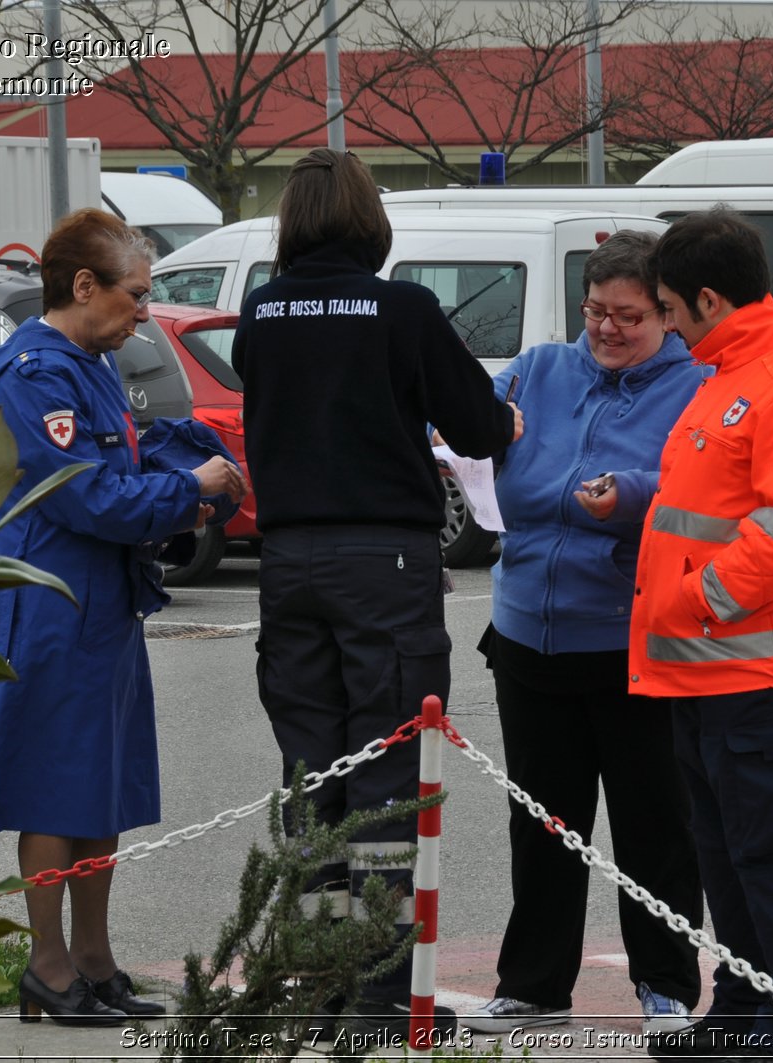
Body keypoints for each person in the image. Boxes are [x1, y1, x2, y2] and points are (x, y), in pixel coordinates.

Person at [231, 148, 521, 1036]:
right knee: (388, 767)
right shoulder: (402, 308)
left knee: (312, 768)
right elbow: (475, 423)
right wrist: (505, 418)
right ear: (370, 222)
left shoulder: (261, 312)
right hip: (383, 563)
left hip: (287, 564)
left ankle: (319, 974)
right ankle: (381, 983)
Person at [0, 208, 248, 1026]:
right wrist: (193, 489)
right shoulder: (35, 374)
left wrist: (186, 455)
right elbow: (86, 495)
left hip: (95, 607)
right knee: (53, 793)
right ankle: (49, 969)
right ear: (83, 287)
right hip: (46, 608)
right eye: (136, 295)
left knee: (99, 791)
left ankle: (93, 961)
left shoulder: (85, 359)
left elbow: (122, 454)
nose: (146, 312)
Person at [458, 231, 707, 1037]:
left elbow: (703, 484)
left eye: (628, 316)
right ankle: (533, 985)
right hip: (528, 633)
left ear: (666, 315)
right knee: (542, 821)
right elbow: (478, 432)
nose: (606, 329)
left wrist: (632, 493)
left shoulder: (696, 386)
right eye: (595, 311)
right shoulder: (539, 370)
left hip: (633, 640)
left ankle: (666, 983)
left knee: (654, 825)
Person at [633, 208, 773, 1062]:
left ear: (710, 298)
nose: (667, 323)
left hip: (749, 678)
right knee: (727, 864)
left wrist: (693, 602)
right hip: (702, 677)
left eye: (671, 307)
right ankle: (741, 1010)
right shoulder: (726, 372)